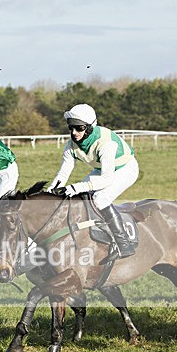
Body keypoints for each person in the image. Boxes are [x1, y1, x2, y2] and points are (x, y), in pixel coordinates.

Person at [48, 103, 140, 261]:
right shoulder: (71, 145)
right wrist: (50, 192)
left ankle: (124, 243)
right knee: (79, 197)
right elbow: (63, 174)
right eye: (71, 127)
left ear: (90, 127)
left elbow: (107, 179)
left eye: (79, 128)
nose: (74, 132)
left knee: (100, 198)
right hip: (102, 169)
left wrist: (76, 187)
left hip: (125, 169)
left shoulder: (105, 144)